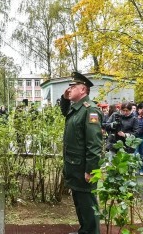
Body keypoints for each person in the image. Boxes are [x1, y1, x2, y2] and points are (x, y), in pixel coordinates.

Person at [60, 71, 102, 234]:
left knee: (88, 204)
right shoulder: (77, 109)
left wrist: (91, 170)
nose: (69, 89)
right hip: (74, 166)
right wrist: (64, 99)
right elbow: (65, 113)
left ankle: (91, 232)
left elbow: (94, 144)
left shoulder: (90, 110)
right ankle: (85, 231)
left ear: (83, 89)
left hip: (84, 168)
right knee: (80, 203)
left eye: (73, 86)